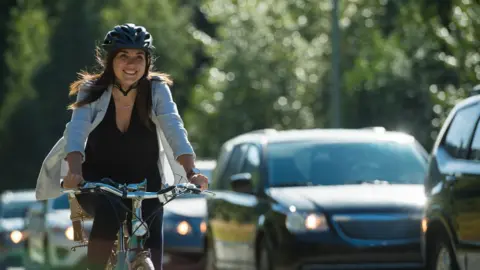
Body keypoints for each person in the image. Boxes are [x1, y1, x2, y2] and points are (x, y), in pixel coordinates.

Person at [35, 23, 208, 270]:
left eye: (139, 56)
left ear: (148, 61)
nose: (132, 63)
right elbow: (77, 131)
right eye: (123, 56)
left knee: (152, 219)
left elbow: (174, 128)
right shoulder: (92, 90)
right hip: (97, 181)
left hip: (145, 181)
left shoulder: (157, 89)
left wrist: (192, 172)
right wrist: (74, 171)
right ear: (110, 60)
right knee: (108, 210)